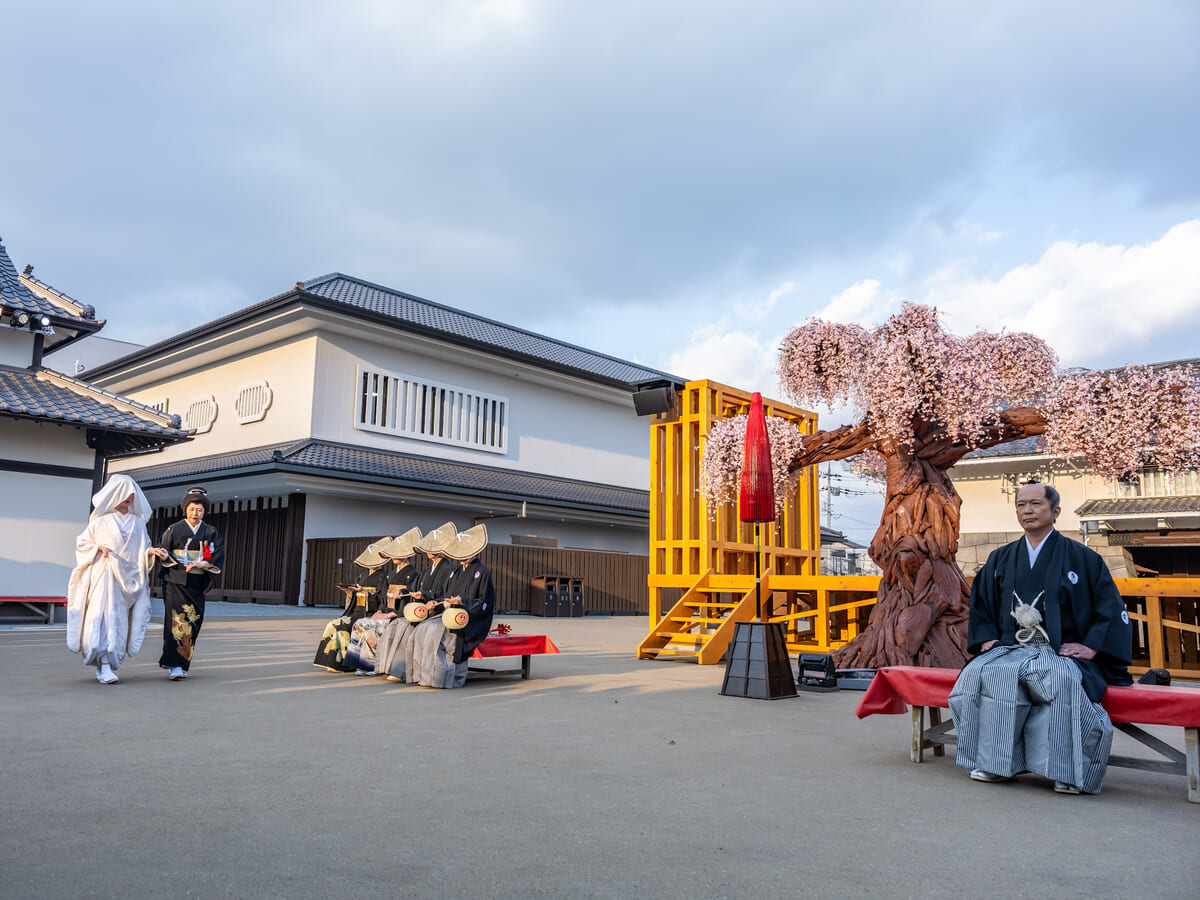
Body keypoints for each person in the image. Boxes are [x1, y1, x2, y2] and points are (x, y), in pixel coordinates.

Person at [948, 482, 1133, 795]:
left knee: (1062, 680)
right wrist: (987, 638)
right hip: (1010, 647)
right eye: (1021, 505)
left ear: (1055, 511)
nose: (1027, 510)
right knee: (981, 675)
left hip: (1058, 650)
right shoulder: (1001, 558)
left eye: (1035, 504)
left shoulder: (1083, 558)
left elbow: (1108, 607)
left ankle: (1067, 770)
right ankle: (995, 763)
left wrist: (1091, 646)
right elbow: (980, 604)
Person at [66, 474, 164, 684]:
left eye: (132, 494)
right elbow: (82, 544)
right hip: (104, 575)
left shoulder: (138, 523)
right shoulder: (99, 522)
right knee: (103, 617)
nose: (129, 497)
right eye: (125, 493)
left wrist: (150, 552)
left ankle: (107, 664)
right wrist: (98, 548)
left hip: (127, 578)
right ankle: (104, 664)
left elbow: (143, 547)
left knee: (118, 619)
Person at [409, 523, 496, 689]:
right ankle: (425, 675)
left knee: (435, 631)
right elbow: (446, 596)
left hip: (469, 618)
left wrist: (463, 602)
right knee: (424, 628)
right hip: (451, 614)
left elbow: (485, 602)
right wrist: (435, 602)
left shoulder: (482, 572)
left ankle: (442, 678)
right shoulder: (457, 572)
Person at [156, 487, 226, 680]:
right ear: (185, 509)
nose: (195, 513)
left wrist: (201, 563)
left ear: (205, 511)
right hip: (175, 581)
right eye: (192, 509)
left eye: (200, 510)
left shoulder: (210, 532)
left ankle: (183, 662)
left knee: (193, 621)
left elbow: (215, 555)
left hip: (197, 581)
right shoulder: (173, 529)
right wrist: (164, 555)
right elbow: (164, 550)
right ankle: (174, 665)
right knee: (176, 622)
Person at [382, 522, 457, 683]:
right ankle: (394, 668)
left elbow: (446, 595)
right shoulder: (427, 570)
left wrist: (425, 595)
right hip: (423, 610)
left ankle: (405, 671)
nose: (428, 551)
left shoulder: (449, 569)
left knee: (407, 628)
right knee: (398, 625)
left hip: (437, 612)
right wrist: (405, 592)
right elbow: (414, 588)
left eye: (432, 548)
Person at [345, 528, 423, 675]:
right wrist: (380, 610)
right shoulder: (391, 574)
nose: (393, 557)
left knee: (372, 629)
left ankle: (370, 665)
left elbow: (409, 598)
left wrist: (391, 614)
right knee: (359, 624)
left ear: (406, 555)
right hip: (386, 612)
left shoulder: (412, 574)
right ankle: (357, 662)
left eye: (396, 554)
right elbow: (384, 597)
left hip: (398, 615)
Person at [312, 539, 389, 672]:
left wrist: (365, 593)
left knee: (343, 625)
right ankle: (333, 662)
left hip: (368, 612)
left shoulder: (383, 577)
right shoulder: (363, 575)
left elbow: (382, 599)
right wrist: (349, 592)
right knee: (333, 624)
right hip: (356, 610)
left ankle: (345, 663)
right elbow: (355, 595)